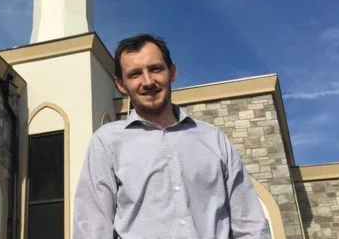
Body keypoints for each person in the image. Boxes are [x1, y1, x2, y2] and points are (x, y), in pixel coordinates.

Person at [73, 33, 270, 239]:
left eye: (155, 69)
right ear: (121, 85)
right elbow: (92, 227)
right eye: (135, 74)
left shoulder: (214, 139)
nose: (148, 81)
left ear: (172, 71)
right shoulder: (107, 143)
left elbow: (250, 224)